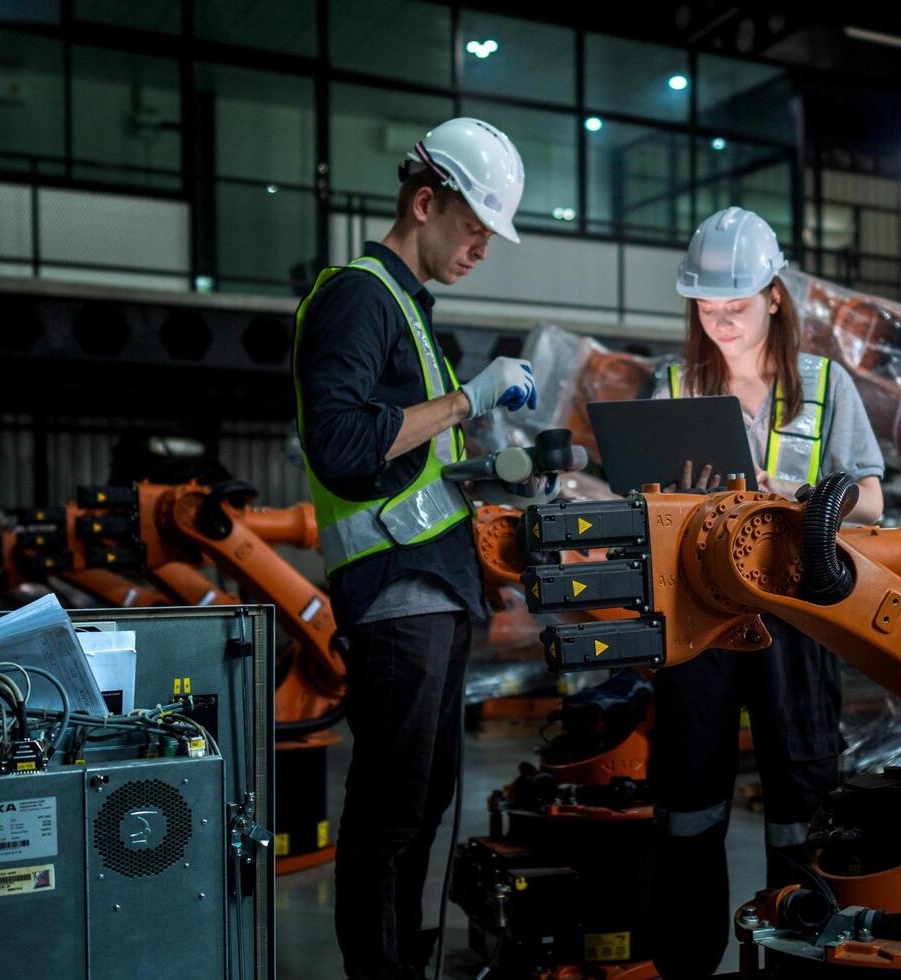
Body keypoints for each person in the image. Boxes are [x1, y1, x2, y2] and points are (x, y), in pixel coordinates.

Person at [292, 117, 541, 980]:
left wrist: (489, 475)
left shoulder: (411, 313)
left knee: (425, 802)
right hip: (397, 598)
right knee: (392, 814)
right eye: (473, 231)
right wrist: (468, 402)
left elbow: (412, 462)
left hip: (434, 592)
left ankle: (400, 962)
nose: (480, 250)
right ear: (424, 201)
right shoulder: (360, 296)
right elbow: (342, 442)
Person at [648, 206, 885, 977]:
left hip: (795, 619)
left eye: (736, 308)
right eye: (708, 310)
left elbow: (875, 500)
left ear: (774, 298)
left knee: (804, 793)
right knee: (687, 795)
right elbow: (645, 499)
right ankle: (688, 958)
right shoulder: (674, 385)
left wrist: (805, 495)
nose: (720, 323)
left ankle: (798, 954)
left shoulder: (824, 385)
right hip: (699, 619)